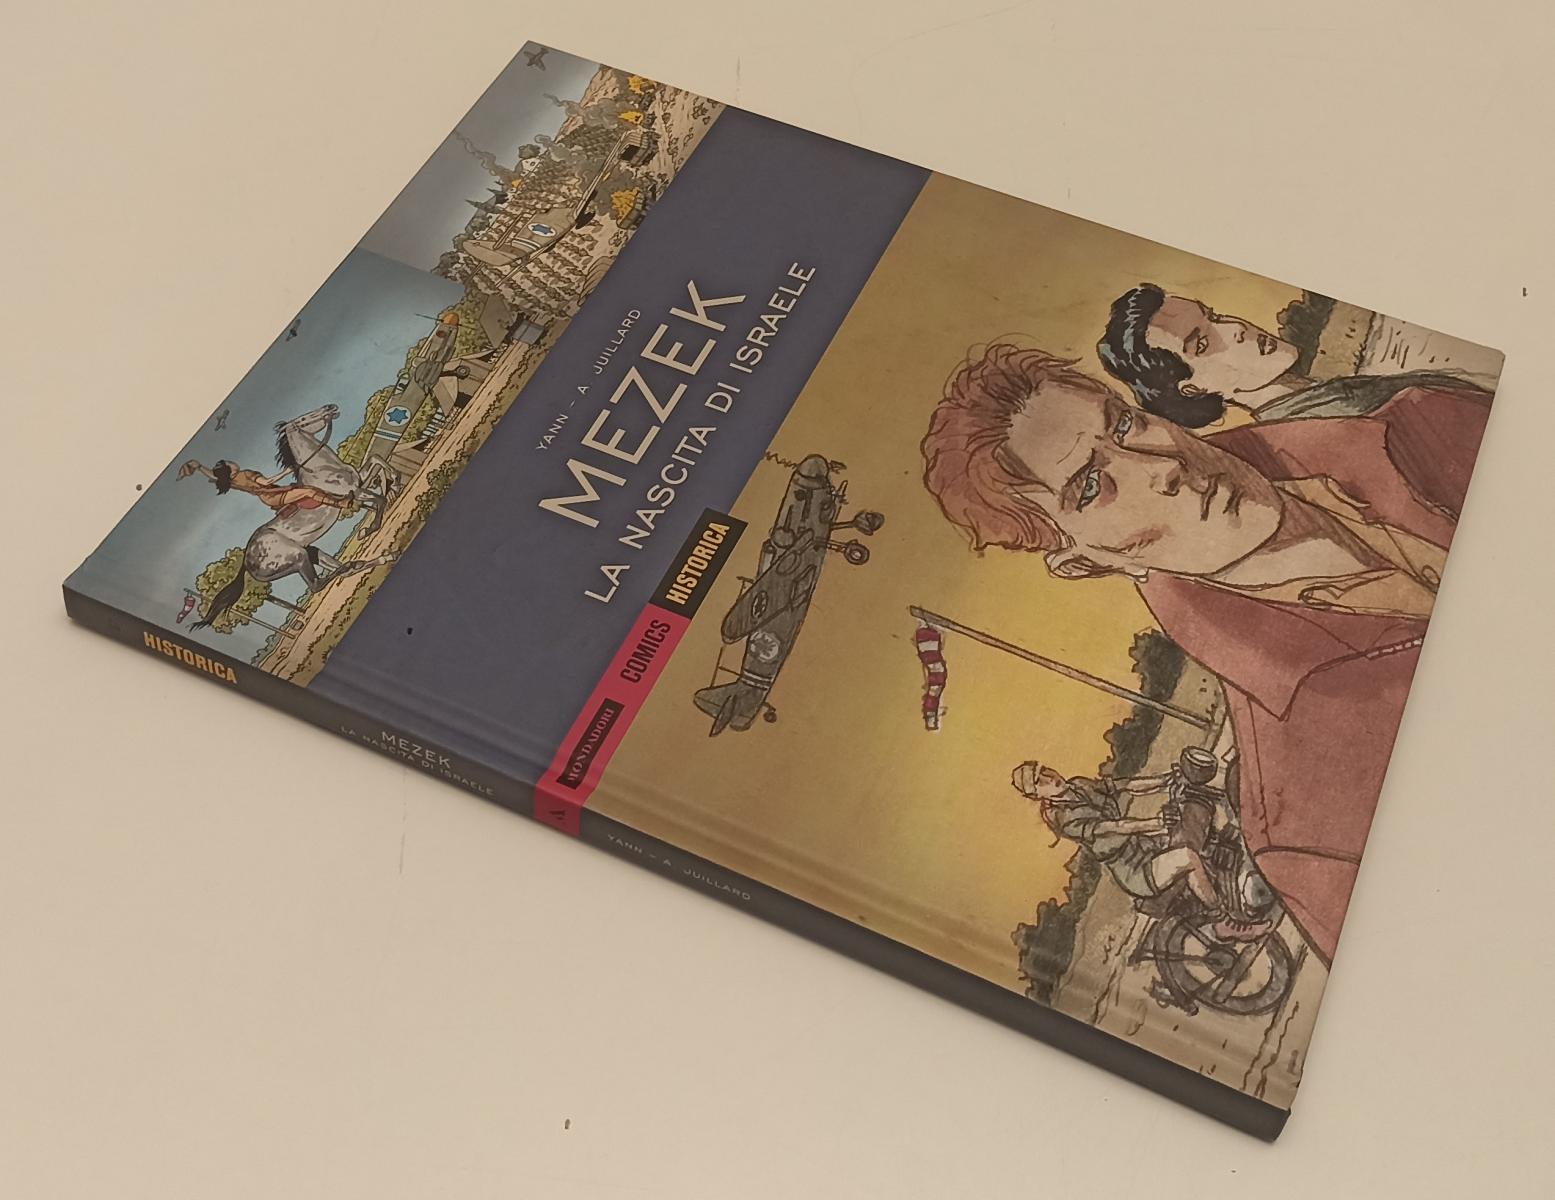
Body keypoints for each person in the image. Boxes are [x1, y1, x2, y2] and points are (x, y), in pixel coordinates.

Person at [923, 344, 1491, 966]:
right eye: (1091, 485)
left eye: (1124, 424)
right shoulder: (1308, 825)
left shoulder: (1415, 418)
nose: (1162, 467)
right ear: (1087, 562)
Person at [1096, 283, 1488, 427]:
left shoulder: (1333, 395)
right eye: (1202, 343)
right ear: (1193, 389)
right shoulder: (1337, 421)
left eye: (1214, 316)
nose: (1235, 329)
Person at [1010, 760, 1270, 940]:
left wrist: (1166, 779)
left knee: (1194, 814)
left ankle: (1240, 867)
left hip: (1146, 847)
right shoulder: (1065, 818)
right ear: (1037, 795)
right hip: (1135, 868)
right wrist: (1155, 824)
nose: (1049, 777)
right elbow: (1115, 827)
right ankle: (1222, 922)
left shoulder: (1079, 785)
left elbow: (1127, 785)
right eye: (1040, 781)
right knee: (1187, 858)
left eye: (1045, 770)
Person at [178, 458, 355, 517]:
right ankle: (341, 503)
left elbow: (214, 476)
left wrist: (199, 466)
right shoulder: (245, 474)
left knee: (305, 488)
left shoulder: (231, 481)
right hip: (273, 495)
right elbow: (267, 481)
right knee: (309, 490)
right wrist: (286, 471)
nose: (233, 462)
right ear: (230, 469)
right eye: (230, 463)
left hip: (268, 497)